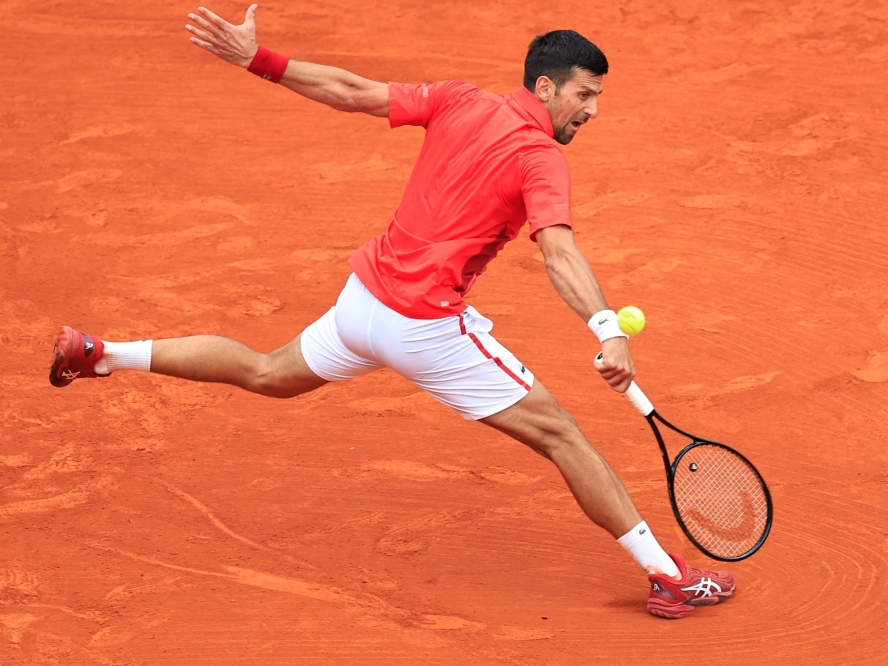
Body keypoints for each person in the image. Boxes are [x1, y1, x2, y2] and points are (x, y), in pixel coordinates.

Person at [49, 4, 735, 619]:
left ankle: (103, 353)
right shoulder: (539, 157)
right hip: (425, 327)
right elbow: (558, 253)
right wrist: (606, 327)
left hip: (361, 304)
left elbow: (351, 91)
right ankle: (667, 576)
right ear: (546, 87)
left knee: (267, 372)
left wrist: (257, 58)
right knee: (562, 437)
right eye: (585, 94)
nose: (592, 110)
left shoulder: (459, 99)